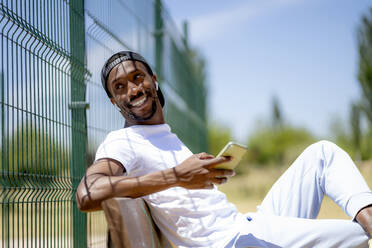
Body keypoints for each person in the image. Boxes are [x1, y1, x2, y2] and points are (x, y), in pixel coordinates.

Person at [76, 51, 372, 248]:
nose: (133, 89)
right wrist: (176, 176)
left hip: (244, 226)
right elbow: (87, 193)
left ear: (153, 80)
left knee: (322, 153)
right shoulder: (122, 141)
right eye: (119, 87)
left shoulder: (164, 135)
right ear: (114, 102)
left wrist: (198, 175)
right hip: (229, 242)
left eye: (137, 77)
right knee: (356, 236)